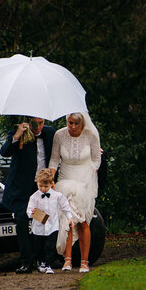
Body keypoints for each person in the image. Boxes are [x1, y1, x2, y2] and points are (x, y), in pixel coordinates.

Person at [0, 116, 56, 273]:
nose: (38, 126)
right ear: (28, 121)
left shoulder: (50, 133)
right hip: (22, 189)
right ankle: (26, 262)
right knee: (22, 220)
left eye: (41, 123)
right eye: (34, 123)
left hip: (41, 188)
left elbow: (61, 148)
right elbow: (5, 152)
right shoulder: (18, 134)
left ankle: (42, 260)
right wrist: (17, 135)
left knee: (42, 220)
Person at [49, 111, 100, 273]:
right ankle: (67, 260)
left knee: (83, 220)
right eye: (69, 122)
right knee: (67, 219)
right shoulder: (59, 135)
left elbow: (96, 160)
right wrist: (50, 177)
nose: (72, 126)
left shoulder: (91, 135)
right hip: (65, 178)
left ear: (82, 123)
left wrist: (89, 177)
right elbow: (54, 159)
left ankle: (84, 261)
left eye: (75, 124)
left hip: (84, 180)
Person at [26, 168, 73, 274]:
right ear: (37, 183)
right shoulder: (34, 197)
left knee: (50, 246)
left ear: (51, 184)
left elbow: (65, 207)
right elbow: (28, 210)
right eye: (40, 186)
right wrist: (32, 212)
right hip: (39, 227)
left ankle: (49, 265)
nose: (43, 189)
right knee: (39, 247)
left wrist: (70, 217)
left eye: (46, 186)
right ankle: (41, 262)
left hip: (52, 226)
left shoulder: (58, 196)